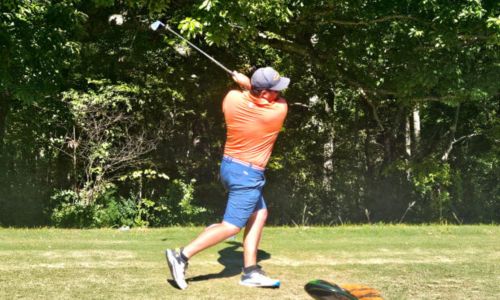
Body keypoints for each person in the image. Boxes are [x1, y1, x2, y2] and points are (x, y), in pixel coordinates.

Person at [166, 67, 290, 289]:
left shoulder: (232, 99)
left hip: (229, 167)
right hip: (247, 174)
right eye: (275, 91)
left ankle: (251, 271)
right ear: (264, 93)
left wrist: (247, 85)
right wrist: (248, 83)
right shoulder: (276, 112)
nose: (279, 95)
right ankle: (182, 256)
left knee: (259, 213)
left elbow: (250, 94)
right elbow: (277, 102)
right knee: (232, 226)